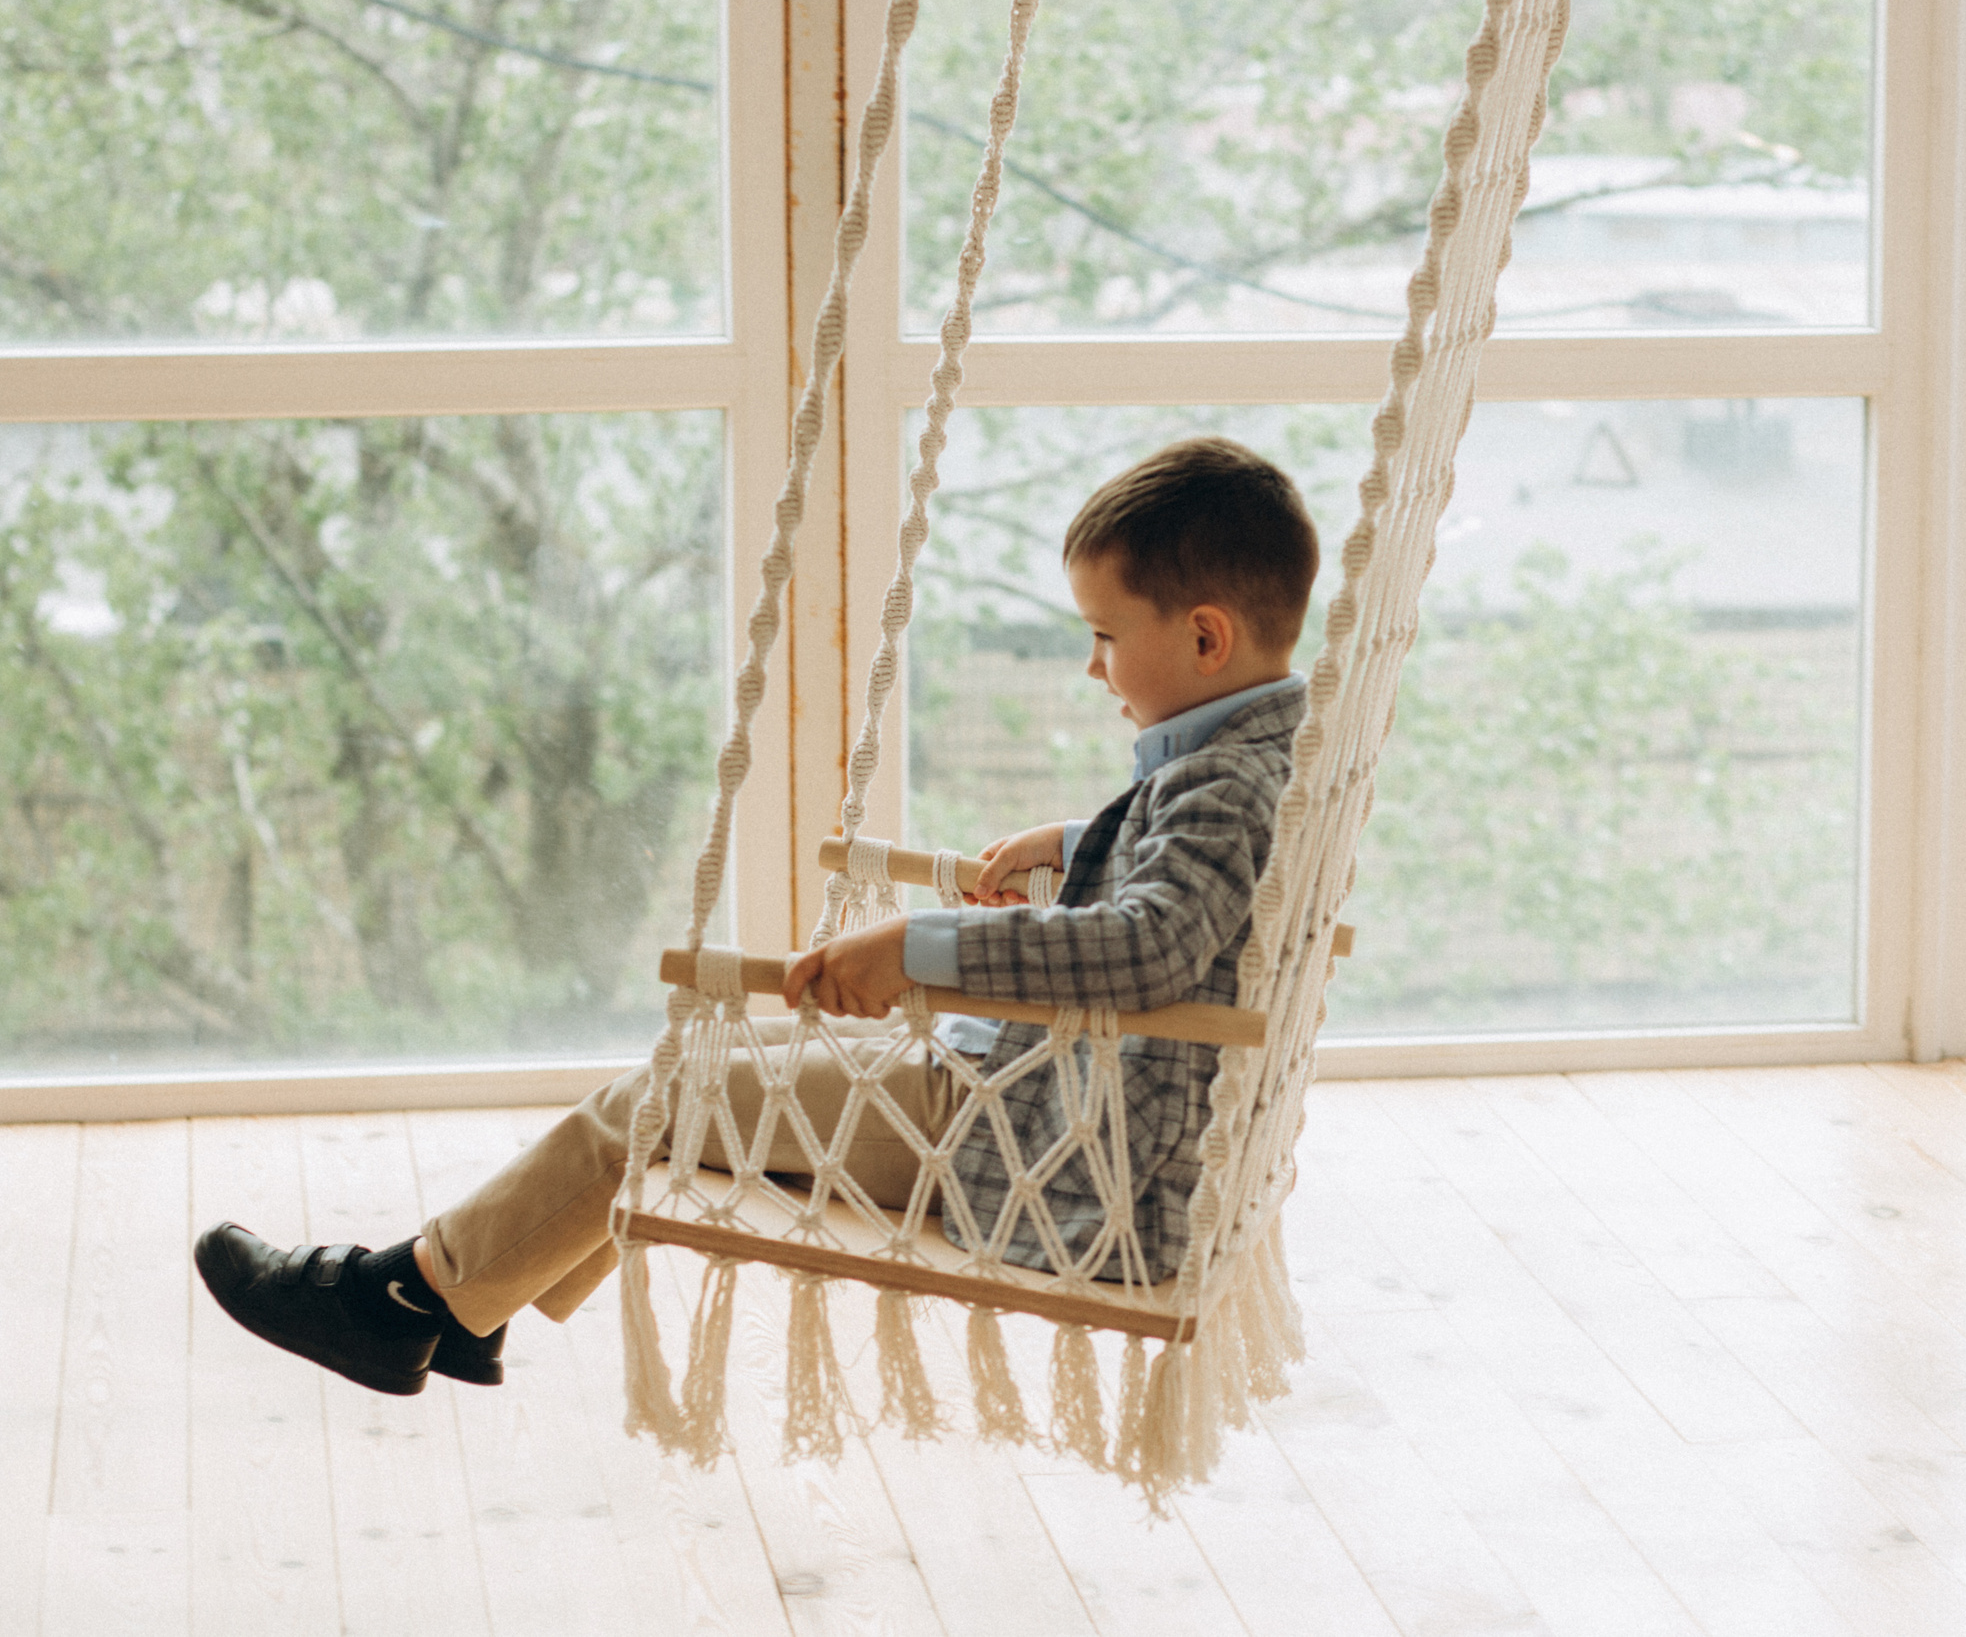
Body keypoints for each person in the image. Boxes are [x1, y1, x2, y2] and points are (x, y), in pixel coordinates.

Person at [194, 435, 1321, 1396]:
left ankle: (404, 1300)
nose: (1093, 665)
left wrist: (918, 945)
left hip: (1047, 1153)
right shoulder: (1266, 753)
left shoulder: (1220, 780)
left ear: (1206, 637)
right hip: (1041, 1102)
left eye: (1105, 635)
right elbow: (1207, 892)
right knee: (696, 1078)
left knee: (669, 1095)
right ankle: (463, 1303)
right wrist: (1085, 845)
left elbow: (1151, 942)